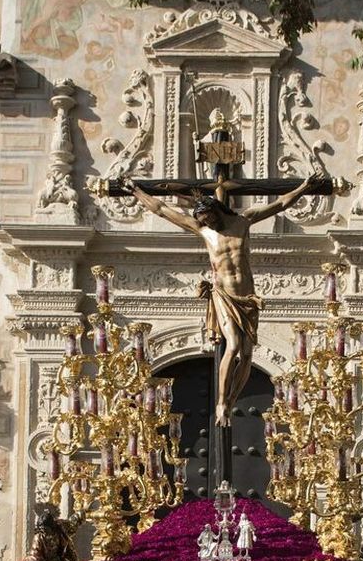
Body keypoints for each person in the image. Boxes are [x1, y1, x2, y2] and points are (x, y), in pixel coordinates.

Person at [126, 172, 317, 424]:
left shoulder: (243, 221)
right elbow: (162, 210)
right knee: (234, 346)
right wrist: (136, 191)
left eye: (210, 218)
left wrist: (304, 186)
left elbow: (279, 204)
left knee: (247, 355)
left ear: (217, 211)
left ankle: (231, 400)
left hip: (247, 298)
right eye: (203, 220)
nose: (209, 224)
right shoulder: (204, 231)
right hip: (223, 296)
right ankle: (220, 404)